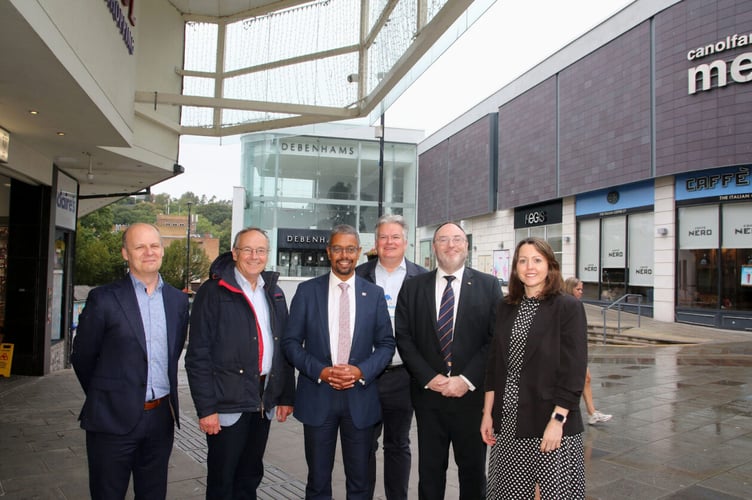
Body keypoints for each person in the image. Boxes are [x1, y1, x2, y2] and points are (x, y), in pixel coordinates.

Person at [71, 222, 190, 499]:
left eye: (154, 245)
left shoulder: (177, 301)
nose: (149, 252)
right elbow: (83, 357)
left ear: (162, 250)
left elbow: (174, 354)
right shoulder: (103, 299)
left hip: (161, 418)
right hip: (111, 419)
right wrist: (108, 394)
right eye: (140, 246)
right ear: (126, 253)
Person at [282, 224, 395, 500]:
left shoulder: (374, 294)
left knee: (360, 483)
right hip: (318, 397)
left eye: (350, 249)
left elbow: (386, 345)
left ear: (358, 252)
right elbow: (290, 343)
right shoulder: (307, 292)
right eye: (337, 248)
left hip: (360, 400)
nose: (344, 254)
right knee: (318, 482)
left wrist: (360, 371)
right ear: (328, 252)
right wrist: (320, 371)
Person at [185, 227, 295, 499]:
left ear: (267, 255)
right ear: (234, 253)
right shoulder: (213, 292)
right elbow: (197, 356)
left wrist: (284, 396)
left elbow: (283, 348)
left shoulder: (274, 292)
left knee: (250, 477)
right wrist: (206, 409)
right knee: (223, 481)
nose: (254, 256)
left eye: (260, 251)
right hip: (227, 403)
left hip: (262, 401)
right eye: (247, 249)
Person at [395, 221, 502, 500]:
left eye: (457, 239)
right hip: (429, 398)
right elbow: (404, 337)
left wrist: (465, 380)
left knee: (473, 473)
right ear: (434, 247)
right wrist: (430, 378)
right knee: (430, 473)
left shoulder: (489, 286)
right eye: (443, 240)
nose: (451, 245)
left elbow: (494, 340)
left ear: (466, 245)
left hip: (471, 399)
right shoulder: (413, 287)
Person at [481, 237, 588, 499]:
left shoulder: (568, 307)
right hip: (509, 423)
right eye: (523, 260)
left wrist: (558, 419)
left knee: (553, 494)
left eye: (537, 260)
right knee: (508, 493)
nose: (530, 266)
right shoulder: (506, 307)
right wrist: (487, 413)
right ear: (515, 267)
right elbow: (495, 365)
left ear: (550, 265)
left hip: (550, 421)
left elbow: (574, 370)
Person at [355, 214, 428, 500]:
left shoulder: (422, 278)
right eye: (383, 237)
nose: (389, 242)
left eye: (395, 236)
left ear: (406, 242)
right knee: (363, 444)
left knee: (398, 444)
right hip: (365, 376)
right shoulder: (359, 275)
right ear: (375, 243)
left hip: (403, 376)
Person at [563, 277, 612, 426]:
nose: (581, 292)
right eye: (578, 289)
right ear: (570, 289)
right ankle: (575, 413)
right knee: (582, 380)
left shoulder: (574, 305)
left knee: (586, 379)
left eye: (582, 289)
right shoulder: (569, 305)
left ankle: (592, 412)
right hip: (570, 354)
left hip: (576, 353)